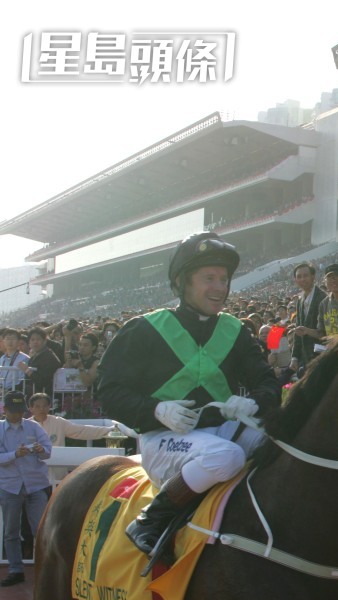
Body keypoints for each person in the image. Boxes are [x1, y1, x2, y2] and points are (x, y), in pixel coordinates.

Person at [98, 233, 281, 561]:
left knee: (284, 443)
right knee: (227, 457)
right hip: (164, 439)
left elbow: (267, 382)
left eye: (224, 279)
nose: (220, 287)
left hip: (222, 432)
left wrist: (255, 401)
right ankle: (150, 520)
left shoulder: (235, 330)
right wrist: (156, 410)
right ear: (183, 282)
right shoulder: (144, 329)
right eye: (209, 278)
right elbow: (110, 392)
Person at [0, 391, 52, 587]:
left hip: (35, 484)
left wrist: (41, 450)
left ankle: (46, 570)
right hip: (10, 486)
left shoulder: (34, 426)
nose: (17, 415)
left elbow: (47, 451)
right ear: (5, 410)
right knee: (11, 531)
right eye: (14, 411)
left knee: (41, 529)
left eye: (20, 411)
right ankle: (16, 570)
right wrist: (14, 454)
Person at [27, 392, 119, 485]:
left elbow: (81, 431)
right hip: (33, 479)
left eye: (44, 406)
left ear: (49, 407)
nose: (41, 409)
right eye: (37, 406)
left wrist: (109, 430)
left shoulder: (58, 422)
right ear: (31, 408)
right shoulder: (26, 425)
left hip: (58, 478)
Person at [290, 262, 326, 372]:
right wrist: (294, 357)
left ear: (313, 276)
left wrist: (308, 331)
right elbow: (298, 331)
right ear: (295, 280)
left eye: (305, 275)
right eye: (299, 277)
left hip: (323, 355)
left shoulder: (323, 298)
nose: (302, 279)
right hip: (307, 359)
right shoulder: (300, 301)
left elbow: (327, 331)